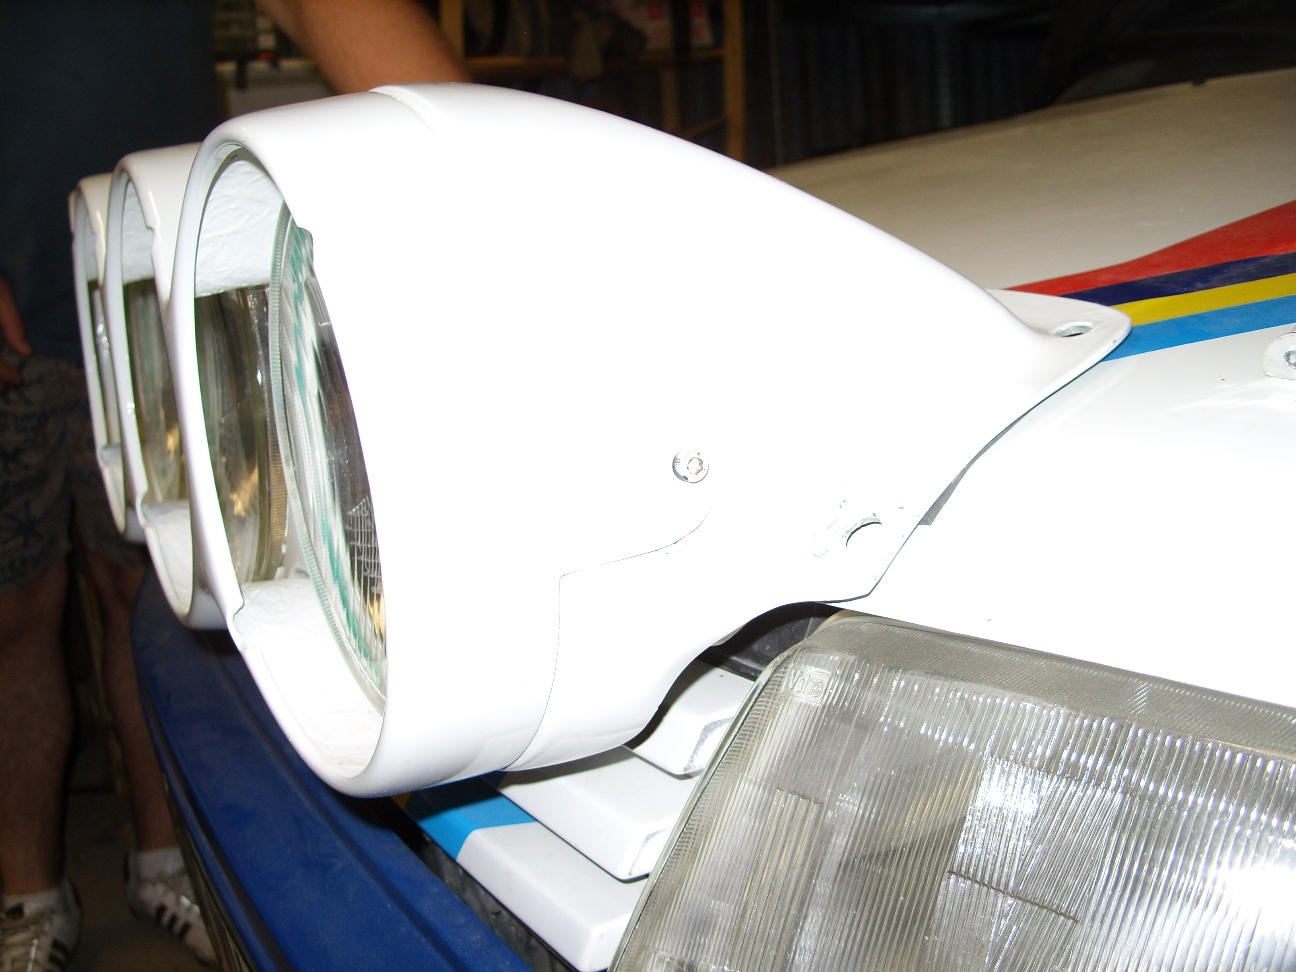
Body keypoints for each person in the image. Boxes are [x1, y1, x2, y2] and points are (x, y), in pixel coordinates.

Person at [0, 3, 467, 970]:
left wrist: (473, 162)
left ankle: (161, 860)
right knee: (13, 614)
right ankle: (26, 895)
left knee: (159, 590)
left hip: (167, 262)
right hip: (18, 306)